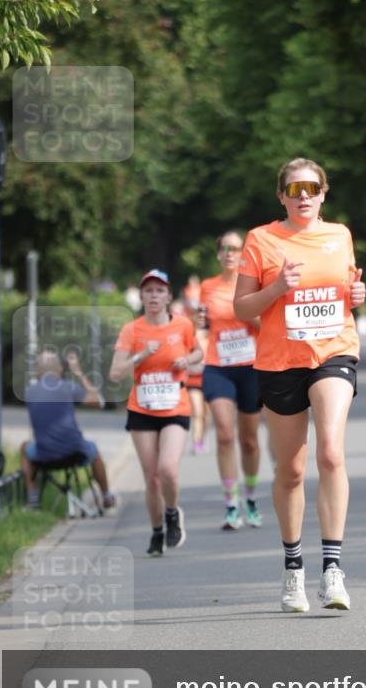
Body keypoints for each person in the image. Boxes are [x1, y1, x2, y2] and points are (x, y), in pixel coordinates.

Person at [234, 158, 366, 612]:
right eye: (295, 189)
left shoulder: (340, 236)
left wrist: (357, 298)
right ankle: (294, 568)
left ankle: (333, 570)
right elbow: (241, 309)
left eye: (312, 187)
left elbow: (346, 290)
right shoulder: (261, 240)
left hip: (333, 351)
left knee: (331, 452)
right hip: (279, 361)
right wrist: (276, 289)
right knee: (290, 471)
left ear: (324, 193)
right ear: (282, 196)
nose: (303, 195)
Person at [110, 269, 203, 555]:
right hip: (142, 408)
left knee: (167, 470)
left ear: (168, 296)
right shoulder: (132, 330)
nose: (153, 296)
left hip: (175, 406)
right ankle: (156, 531)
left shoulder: (183, 326)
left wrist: (185, 360)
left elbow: (199, 354)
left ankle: (172, 512)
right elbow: (115, 373)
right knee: (150, 476)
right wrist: (141, 355)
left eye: (159, 290)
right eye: (148, 290)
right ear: (141, 296)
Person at [199, 232, 263, 530]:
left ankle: (250, 497)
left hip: (250, 365)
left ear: (243, 254)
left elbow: (267, 324)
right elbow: (202, 324)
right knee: (225, 434)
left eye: (235, 249)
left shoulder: (252, 286)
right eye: (224, 248)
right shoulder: (207, 287)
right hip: (218, 366)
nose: (229, 253)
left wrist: (252, 317)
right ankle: (230, 504)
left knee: (248, 440)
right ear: (218, 254)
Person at [21, 350, 116, 510]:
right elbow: (99, 402)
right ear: (60, 370)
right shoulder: (68, 387)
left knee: (24, 447)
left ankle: (33, 500)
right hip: (74, 452)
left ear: (37, 372)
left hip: (43, 455)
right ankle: (106, 496)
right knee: (94, 450)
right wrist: (78, 372)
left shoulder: (29, 392)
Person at [171, 299, 211, 455]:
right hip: (193, 379)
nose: (201, 316)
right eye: (198, 313)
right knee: (197, 412)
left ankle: (203, 437)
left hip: (210, 377)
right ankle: (196, 441)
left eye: (204, 313)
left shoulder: (213, 334)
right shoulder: (189, 333)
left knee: (207, 414)